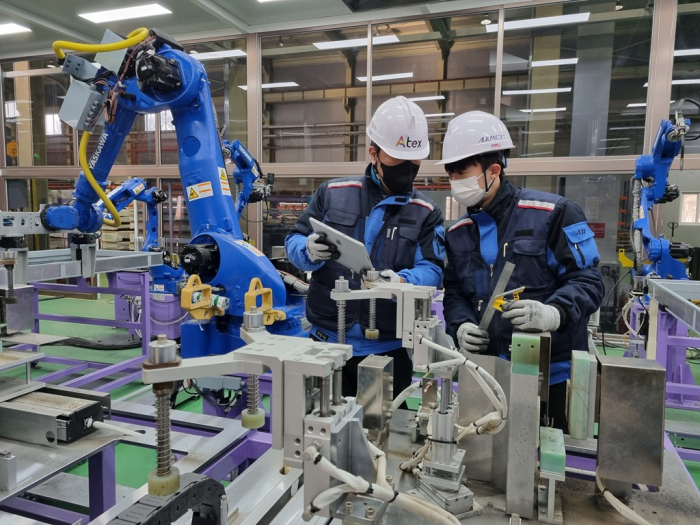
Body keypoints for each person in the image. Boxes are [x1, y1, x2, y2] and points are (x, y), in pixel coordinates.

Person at [440, 111, 604, 431]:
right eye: (451, 174)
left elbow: (588, 280)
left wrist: (553, 313)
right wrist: (460, 325)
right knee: (483, 461)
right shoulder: (457, 232)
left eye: (462, 172)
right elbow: (456, 292)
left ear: (494, 170)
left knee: (544, 468)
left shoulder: (553, 214)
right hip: (486, 371)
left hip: (550, 374)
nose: (455, 182)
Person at [285, 96, 445, 398]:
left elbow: (433, 269)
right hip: (325, 344)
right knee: (319, 433)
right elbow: (293, 242)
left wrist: (401, 282)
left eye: (415, 162)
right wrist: (308, 250)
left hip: (389, 350)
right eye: (399, 161)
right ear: (374, 153)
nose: (408, 170)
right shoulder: (332, 194)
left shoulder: (425, 211)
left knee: (384, 437)